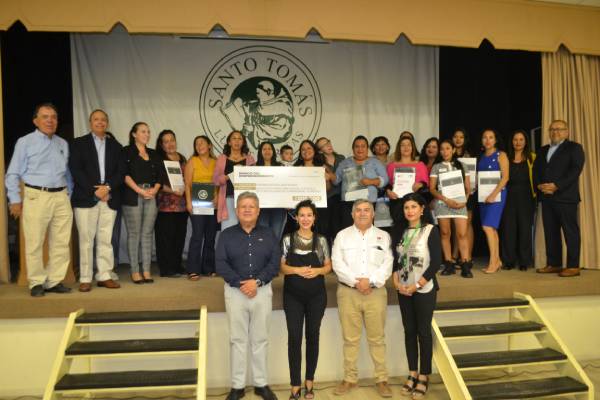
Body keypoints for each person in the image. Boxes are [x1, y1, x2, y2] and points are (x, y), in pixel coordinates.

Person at [216, 192, 280, 400]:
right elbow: (221, 264)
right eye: (243, 206)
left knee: (260, 339)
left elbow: (274, 262)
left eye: (251, 206)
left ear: (258, 210)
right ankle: (237, 386)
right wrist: (240, 284)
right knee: (238, 340)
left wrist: (257, 282)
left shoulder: (269, 234)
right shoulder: (226, 235)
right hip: (235, 292)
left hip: (262, 291)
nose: (247, 209)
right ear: (236, 210)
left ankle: (261, 384)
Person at [5, 103, 73, 297]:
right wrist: (15, 200)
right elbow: (12, 174)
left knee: (61, 241)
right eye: (45, 117)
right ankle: (35, 282)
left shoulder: (62, 143)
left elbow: (66, 172)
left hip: (61, 196)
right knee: (34, 241)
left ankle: (54, 280)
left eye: (54, 117)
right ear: (36, 120)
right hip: (36, 195)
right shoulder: (25, 142)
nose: (50, 120)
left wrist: (69, 193)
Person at [331, 199, 394, 398]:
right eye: (358, 210)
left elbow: (388, 263)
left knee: (377, 339)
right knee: (350, 339)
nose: (362, 213)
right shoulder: (342, 236)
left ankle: (382, 380)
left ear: (373, 214)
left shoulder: (383, 236)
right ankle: (349, 379)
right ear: (352, 214)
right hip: (348, 293)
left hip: (375, 294)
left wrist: (371, 282)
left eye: (367, 210)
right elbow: (337, 263)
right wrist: (356, 282)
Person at [280, 200, 331, 400]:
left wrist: (317, 271)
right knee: (294, 339)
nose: (305, 219)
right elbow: (281, 267)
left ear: (314, 218)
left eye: (309, 215)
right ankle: (295, 385)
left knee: (313, 337)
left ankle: (309, 382)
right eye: (302, 215)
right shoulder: (287, 239)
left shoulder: (322, 240)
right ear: (296, 217)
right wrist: (296, 270)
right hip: (292, 296)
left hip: (316, 296)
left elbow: (328, 266)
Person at [392, 193, 441, 399]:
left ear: (422, 209)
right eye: (406, 208)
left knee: (423, 333)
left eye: (413, 207)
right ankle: (412, 373)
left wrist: (417, 285)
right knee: (409, 332)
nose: (409, 211)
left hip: (423, 289)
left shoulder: (431, 230)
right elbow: (396, 261)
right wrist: (396, 283)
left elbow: (436, 262)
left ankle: (424, 375)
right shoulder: (400, 231)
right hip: (403, 289)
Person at [69, 109, 123, 292]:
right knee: (86, 240)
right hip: (86, 198)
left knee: (105, 239)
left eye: (103, 120)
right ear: (90, 122)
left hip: (109, 197)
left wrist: (107, 188)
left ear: (107, 123)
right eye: (96, 119)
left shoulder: (116, 146)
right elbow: (76, 170)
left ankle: (104, 275)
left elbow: (120, 172)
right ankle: (85, 278)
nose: (100, 122)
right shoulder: (78, 144)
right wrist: (95, 191)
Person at [534, 120, 585, 277]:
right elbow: (536, 171)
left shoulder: (574, 148)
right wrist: (540, 186)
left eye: (559, 129)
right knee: (551, 232)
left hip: (566, 197)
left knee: (570, 232)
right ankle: (554, 264)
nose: (555, 132)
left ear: (567, 132)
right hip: (546, 198)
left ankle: (573, 266)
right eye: (552, 129)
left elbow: (575, 170)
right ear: (549, 132)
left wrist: (557, 185)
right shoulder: (542, 150)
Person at [121, 122, 162, 284]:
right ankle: (134, 271)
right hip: (133, 195)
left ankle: (146, 270)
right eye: (143, 131)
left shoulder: (153, 153)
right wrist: (140, 191)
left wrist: (155, 189)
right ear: (134, 134)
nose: (147, 134)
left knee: (147, 233)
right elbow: (124, 174)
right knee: (134, 233)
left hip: (151, 195)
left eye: (148, 132)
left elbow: (160, 175)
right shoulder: (126, 151)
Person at [429, 140, 472, 278]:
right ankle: (449, 264)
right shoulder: (436, 167)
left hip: (460, 204)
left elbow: (468, 188)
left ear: (453, 150)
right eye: (442, 149)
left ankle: (465, 264)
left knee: (462, 234)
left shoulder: (462, 165)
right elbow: (432, 189)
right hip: (443, 204)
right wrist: (446, 200)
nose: (445, 151)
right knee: (445, 233)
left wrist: (464, 201)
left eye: (448, 148)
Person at [335, 136, 388, 231]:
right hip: (349, 205)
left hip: (369, 203)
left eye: (363, 146)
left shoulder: (375, 162)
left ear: (367, 149)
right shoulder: (345, 162)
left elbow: (385, 180)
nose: (360, 149)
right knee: (348, 231)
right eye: (357, 146)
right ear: (353, 148)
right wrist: (328, 175)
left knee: (367, 231)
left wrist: (371, 181)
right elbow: (336, 180)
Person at [500, 130, 536, 271]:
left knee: (525, 230)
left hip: (526, 196)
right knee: (508, 229)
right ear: (512, 141)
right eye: (515, 139)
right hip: (508, 196)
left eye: (521, 139)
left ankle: (524, 261)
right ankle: (508, 261)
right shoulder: (505, 157)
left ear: (525, 141)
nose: (518, 142)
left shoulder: (532, 157)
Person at [154, 130, 188, 278]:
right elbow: (157, 183)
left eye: (172, 140)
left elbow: (187, 178)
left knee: (179, 237)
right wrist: (173, 191)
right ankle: (166, 269)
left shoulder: (182, 158)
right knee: (165, 238)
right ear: (161, 145)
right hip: (165, 205)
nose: (170, 144)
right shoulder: (158, 159)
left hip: (182, 205)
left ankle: (176, 265)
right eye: (166, 141)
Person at [185, 135, 219, 279]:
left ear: (210, 146)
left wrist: (217, 197)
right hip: (197, 203)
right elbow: (187, 184)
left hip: (213, 203)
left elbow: (218, 183)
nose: (199, 146)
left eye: (202, 143)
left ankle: (208, 268)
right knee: (197, 235)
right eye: (196, 144)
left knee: (210, 236)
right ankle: (193, 269)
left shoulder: (216, 162)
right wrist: (188, 203)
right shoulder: (192, 161)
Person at [477, 129, 509, 274]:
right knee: (492, 229)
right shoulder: (481, 157)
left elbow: (505, 178)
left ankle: (493, 263)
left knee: (487, 227)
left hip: (497, 195)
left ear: (495, 140)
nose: (488, 140)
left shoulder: (501, 155)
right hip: (483, 196)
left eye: (491, 137)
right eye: (485, 137)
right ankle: (497, 260)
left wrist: (493, 194)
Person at [213, 131, 256, 231]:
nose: (237, 141)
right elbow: (216, 180)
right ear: (229, 142)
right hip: (228, 199)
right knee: (228, 231)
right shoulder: (222, 158)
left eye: (239, 138)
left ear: (243, 142)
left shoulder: (250, 159)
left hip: (246, 200)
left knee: (246, 231)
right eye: (234, 138)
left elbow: (254, 179)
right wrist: (231, 174)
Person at [386, 135, 429, 227]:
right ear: (399, 148)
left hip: (416, 203)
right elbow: (388, 185)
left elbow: (426, 185)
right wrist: (388, 191)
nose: (406, 148)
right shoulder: (391, 166)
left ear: (412, 148)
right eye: (403, 145)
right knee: (400, 230)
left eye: (408, 145)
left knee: (418, 231)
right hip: (397, 203)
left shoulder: (420, 165)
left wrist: (420, 185)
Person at [294, 140, 334, 238]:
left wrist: (327, 180)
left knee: (322, 234)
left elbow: (328, 189)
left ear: (314, 150)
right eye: (303, 149)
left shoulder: (322, 167)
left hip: (320, 208)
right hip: (302, 208)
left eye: (309, 148)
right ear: (300, 153)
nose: (306, 151)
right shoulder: (295, 169)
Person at [452, 128, 476, 263]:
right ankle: (455, 256)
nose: (458, 139)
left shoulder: (471, 155)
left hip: (468, 193)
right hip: (453, 194)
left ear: (465, 139)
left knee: (467, 225)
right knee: (456, 226)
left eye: (461, 137)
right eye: (456, 136)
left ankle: (467, 257)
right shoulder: (449, 154)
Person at [316, 136, 345, 242]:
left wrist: (328, 171)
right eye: (323, 145)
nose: (328, 145)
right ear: (320, 150)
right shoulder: (319, 163)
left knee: (340, 229)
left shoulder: (341, 158)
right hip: (328, 199)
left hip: (343, 198)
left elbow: (343, 178)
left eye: (328, 142)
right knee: (327, 230)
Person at [256, 141, 286, 240]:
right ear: (260, 152)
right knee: (262, 236)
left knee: (276, 236)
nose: (267, 151)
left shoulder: (281, 167)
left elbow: (286, 185)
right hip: (261, 207)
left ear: (273, 151)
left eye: (269, 149)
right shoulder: (253, 167)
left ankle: (274, 256)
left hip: (278, 207)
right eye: (264, 149)